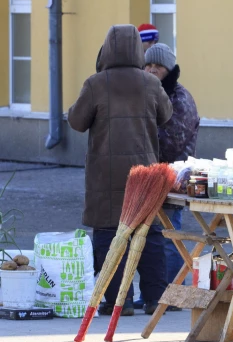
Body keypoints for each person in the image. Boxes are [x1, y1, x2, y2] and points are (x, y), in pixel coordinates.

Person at [68, 25, 173, 316]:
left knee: (108, 233)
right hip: (145, 173)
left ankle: (118, 301)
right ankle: (155, 298)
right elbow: (166, 116)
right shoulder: (150, 83)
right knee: (149, 234)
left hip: (106, 174)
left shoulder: (95, 84)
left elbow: (77, 122)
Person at [143, 43, 200, 308]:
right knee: (157, 236)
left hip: (173, 177)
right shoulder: (148, 93)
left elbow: (172, 143)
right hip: (152, 175)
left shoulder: (179, 98)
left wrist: (140, 139)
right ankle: (158, 292)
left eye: (158, 67)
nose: (152, 71)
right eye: (148, 66)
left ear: (169, 70)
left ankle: (174, 294)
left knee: (169, 236)